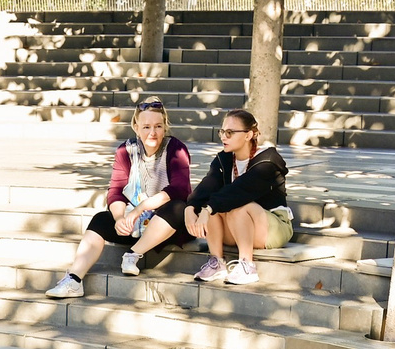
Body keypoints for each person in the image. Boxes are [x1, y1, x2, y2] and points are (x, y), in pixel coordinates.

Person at [46, 100, 192, 299]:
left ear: (165, 126)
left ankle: (132, 255)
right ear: (136, 127)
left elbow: (180, 189)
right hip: (137, 224)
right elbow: (115, 190)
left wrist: (140, 208)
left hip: (167, 227)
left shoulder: (176, 149)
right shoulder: (126, 151)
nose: (153, 133)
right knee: (100, 219)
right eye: (146, 127)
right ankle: (74, 279)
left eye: (158, 126)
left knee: (178, 207)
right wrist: (119, 218)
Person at [185, 108, 293, 286]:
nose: (223, 137)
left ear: (248, 135)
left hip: (273, 227)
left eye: (230, 132)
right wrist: (190, 207)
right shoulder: (224, 159)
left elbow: (240, 191)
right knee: (214, 204)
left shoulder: (268, 161)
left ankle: (247, 266)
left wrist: (208, 209)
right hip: (239, 228)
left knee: (236, 205)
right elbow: (207, 185)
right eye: (222, 132)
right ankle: (217, 263)